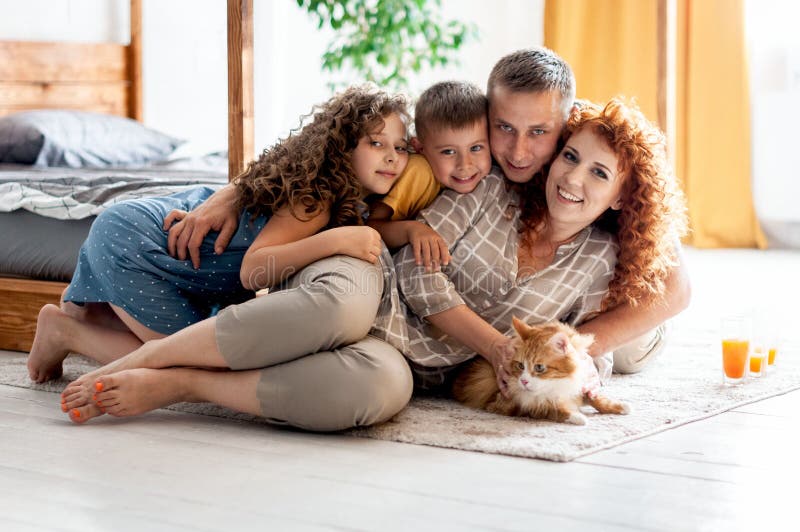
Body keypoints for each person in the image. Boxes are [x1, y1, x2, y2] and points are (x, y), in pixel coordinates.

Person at [59, 47, 690, 427]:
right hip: (371, 273)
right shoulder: (480, 173)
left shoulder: (595, 217)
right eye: (505, 129)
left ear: (565, 127)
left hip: (415, 358)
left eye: (542, 136)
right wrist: (237, 189)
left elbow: (674, 286)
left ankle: (181, 381)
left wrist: (583, 353)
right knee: (343, 301)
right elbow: (348, 164)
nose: (520, 150)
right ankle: (140, 361)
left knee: (378, 393)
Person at [34, 85, 417, 431]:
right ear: (343, 146)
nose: (392, 159)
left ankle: (75, 324)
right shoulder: (314, 199)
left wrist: (412, 231)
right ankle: (67, 332)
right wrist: (335, 242)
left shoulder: (344, 199)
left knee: (194, 345)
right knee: (192, 359)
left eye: (401, 148)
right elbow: (255, 271)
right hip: (140, 244)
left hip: (148, 243)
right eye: (376, 144)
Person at [380, 95, 688, 392]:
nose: (572, 178)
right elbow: (412, 268)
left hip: (635, 297)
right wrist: (494, 345)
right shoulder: (491, 188)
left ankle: (653, 333)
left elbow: (585, 349)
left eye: (598, 172)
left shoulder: (602, 258)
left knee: (631, 353)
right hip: (406, 339)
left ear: (621, 197)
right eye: (569, 157)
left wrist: (580, 366)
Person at [367, 80, 491, 271]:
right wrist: (412, 229)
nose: (465, 165)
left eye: (475, 148)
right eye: (448, 152)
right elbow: (372, 226)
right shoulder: (420, 173)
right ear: (419, 148)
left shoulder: (491, 181)